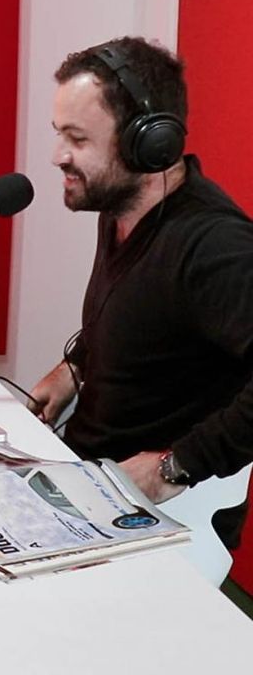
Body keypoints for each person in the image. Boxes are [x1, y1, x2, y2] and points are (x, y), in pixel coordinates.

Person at [28, 37, 253, 541]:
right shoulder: (120, 208)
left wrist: (176, 465)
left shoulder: (214, 246)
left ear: (149, 143)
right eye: (59, 134)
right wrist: (73, 371)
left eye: (78, 139)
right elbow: (142, 321)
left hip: (156, 521)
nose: (58, 156)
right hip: (88, 482)